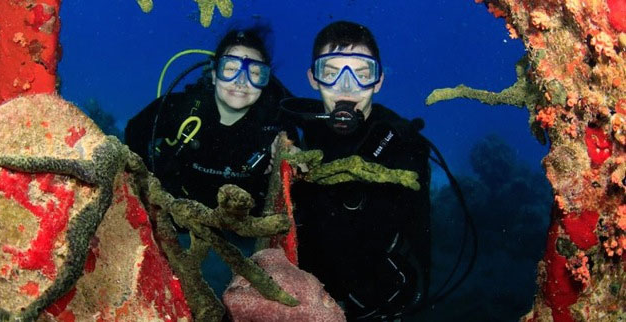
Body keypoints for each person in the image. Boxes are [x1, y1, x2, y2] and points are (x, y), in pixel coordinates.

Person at [124, 28, 295, 294]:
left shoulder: (275, 126)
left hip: (243, 234)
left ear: (266, 81)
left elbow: (302, 160)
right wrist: (144, 188)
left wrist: (285, 154)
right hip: (178, 219)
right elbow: (135, 132)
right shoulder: (182, 108)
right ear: (214, 73)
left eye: (255, 73)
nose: (241, 81)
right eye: (231, 68)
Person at [285, 21, 431, 321]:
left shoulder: (404, 145)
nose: (347, 86)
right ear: (314, 79)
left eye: (362, 74)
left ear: (378, 81)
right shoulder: (292, 127)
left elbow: (420, 244)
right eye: (331, 72)